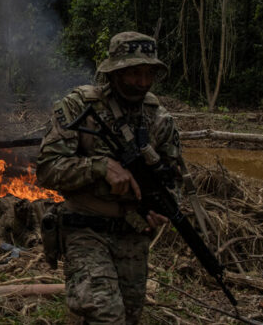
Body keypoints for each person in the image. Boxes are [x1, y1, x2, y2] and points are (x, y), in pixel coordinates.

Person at [36, 31, 186, 324]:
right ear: (115, 72)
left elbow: (173, 176)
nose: (142, 82)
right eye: (133, 74)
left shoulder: (159, 118)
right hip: (85, 228)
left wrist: (163, 206)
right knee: (107, 315)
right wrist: (99, 167)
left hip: (133, 232)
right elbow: (47, 169)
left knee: (130, 316)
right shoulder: (79, 107)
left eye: (148, 74)